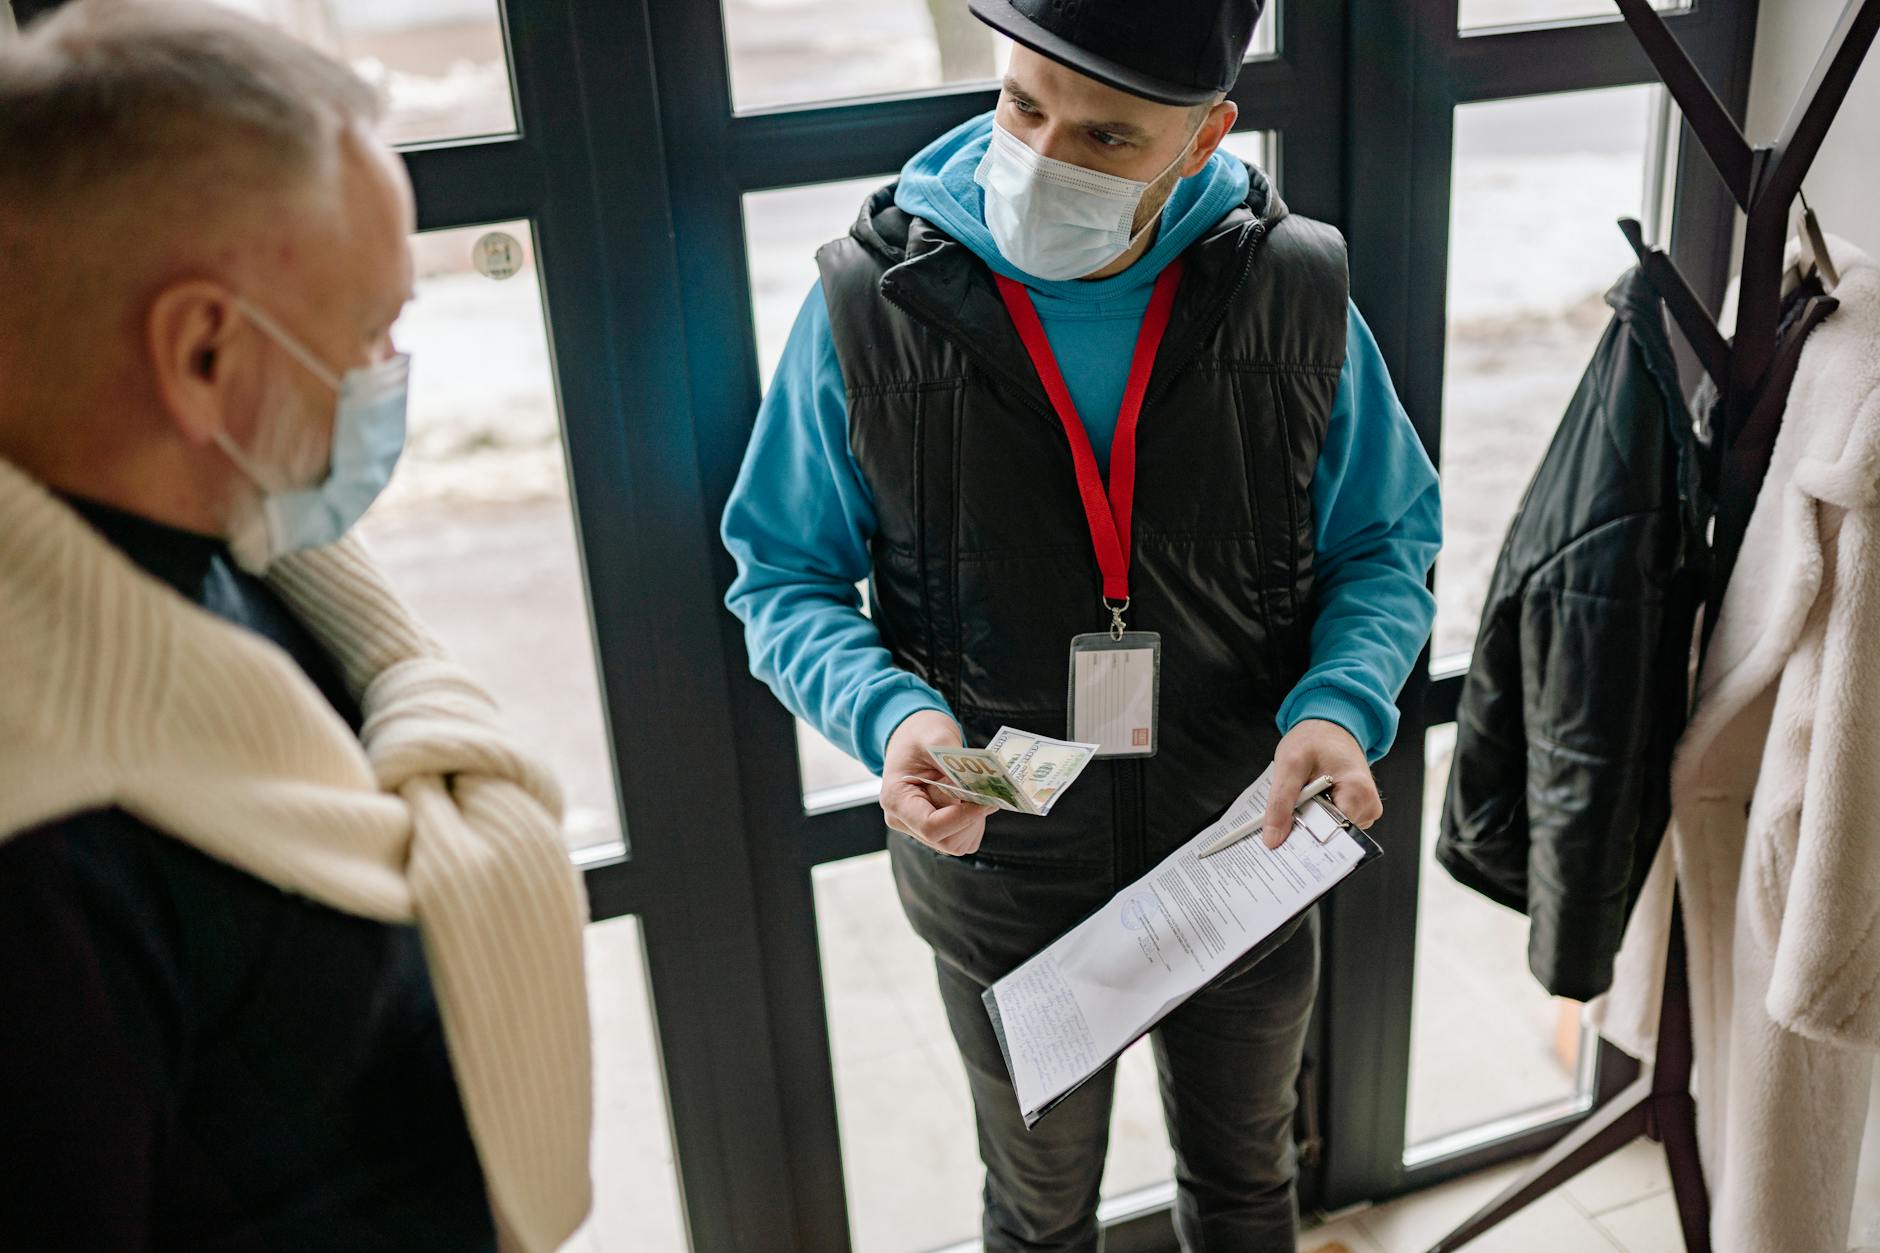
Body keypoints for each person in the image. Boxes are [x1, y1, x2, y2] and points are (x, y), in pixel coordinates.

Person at [722, 0, 1441, 1248]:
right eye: (1021, 106)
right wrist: (893, 716)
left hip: (1243, 847)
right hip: (1002, 872)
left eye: (1109, 138)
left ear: (1207, 132)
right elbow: (779, 577)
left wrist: (1338, 705)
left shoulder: (1298, 293)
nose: (1045, 158)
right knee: (1039, 1207)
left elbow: (1384, 544)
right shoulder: (868, 305)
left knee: (1245, 1182)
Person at [0, 5, 593, 1250]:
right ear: (204, 351)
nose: (390, 365)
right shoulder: (44, 866)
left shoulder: (234, 537)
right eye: (372, 325)